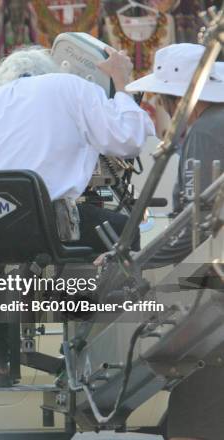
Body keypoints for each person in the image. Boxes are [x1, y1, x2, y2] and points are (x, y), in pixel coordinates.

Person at [0, 45, 155, 387]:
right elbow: (127, 141)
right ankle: (93, 334)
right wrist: (120, 80)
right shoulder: (68, 86)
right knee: (124, 229)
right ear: (53, 70)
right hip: (44, 233)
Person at [126, 43, 224, 440]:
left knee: (198, 405)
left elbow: (192, 227)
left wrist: (136, 261)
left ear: (178, 97)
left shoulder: (205, 130)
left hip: (215, 283)